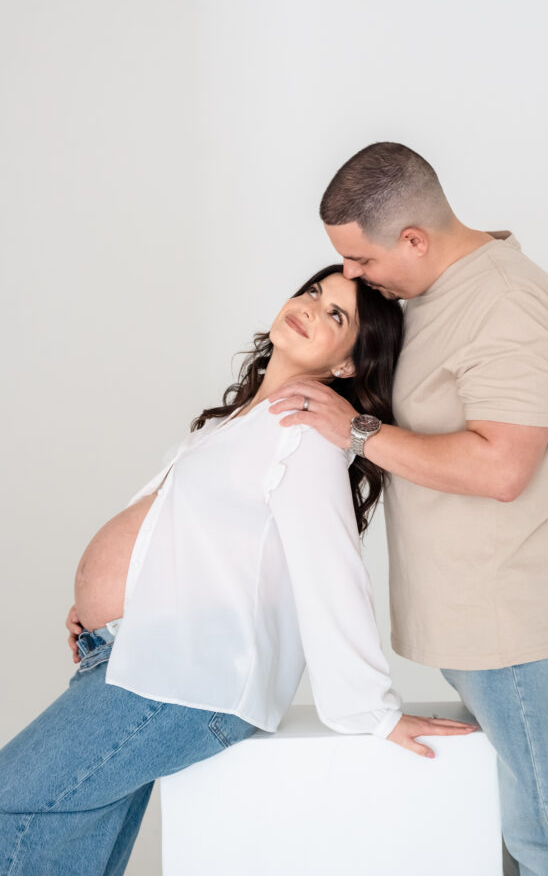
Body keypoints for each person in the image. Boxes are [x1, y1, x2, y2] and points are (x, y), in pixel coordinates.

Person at [0, 263, 476, 876]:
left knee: (16, 803)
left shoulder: (305, 432)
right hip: (134, 659)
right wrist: (110, 606)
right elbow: (196, 542)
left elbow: (329, 569)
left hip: (185, 681)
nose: (311, 307)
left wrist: (371, 710)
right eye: (313, 292)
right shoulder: (238, 422)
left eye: (336, 315)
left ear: (348, 364)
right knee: (70, 844)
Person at [269, 144, 548, 876]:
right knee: (520, 834)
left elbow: (502, 467)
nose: (351, 275)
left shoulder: (503, 302)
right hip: (480, 622)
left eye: (361, 260)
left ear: (414, 239)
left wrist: (356, 431)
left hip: (510, 621)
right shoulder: (435, 295)